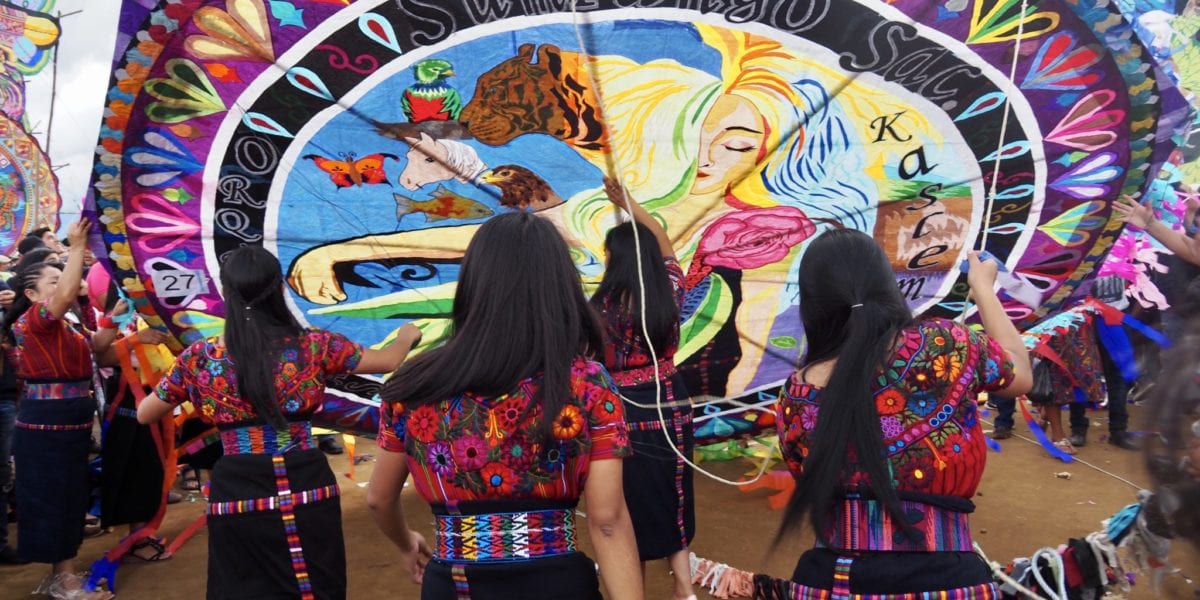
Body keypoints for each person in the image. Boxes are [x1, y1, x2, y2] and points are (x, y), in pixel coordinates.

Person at [369, 212, 643, 600]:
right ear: (560, 286)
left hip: (456, 586)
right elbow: (608, 520)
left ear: (473, 285)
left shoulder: (414, 386)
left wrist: (406, 541)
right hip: (558, 586)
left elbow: (379, 498)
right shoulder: (586, 383)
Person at [138, 245, 421, 600]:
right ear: (279, 290)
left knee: (242, 584)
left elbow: (145, 412)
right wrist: (408, 335)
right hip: (306, 478)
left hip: (237, 487)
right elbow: (387, 360)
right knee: (316, 579)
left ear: (225, 292)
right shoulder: (315, 346)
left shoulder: (200, 358)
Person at [768, 229, 1032, 598]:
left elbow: (812, 479)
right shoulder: (946, 345)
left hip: (830, 584)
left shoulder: (796, 395)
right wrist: (983, 288)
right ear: (886, 285)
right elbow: (1020, 373)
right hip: (943, 581)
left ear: (812, 304)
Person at [591, 178, 696, 600]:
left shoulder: (596, 311)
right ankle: (685, 588)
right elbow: (664, 242)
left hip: (623, 409)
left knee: (627, 500)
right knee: (675, 490)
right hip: (672, 400)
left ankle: (635, 587)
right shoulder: (670, 291)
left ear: (612, 260)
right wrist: (628, 202)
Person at [3, 219, 118, 599]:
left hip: (70, 418)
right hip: (47, 423)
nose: (61, 287)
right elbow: (68, 294)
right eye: (51, 282)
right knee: (55, 497)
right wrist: (78, 245)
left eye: (59, 279)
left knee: (69, 495)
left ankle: (62, 574)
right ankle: (64, 580)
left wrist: (121, 318)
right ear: (33, 294)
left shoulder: (65, 325)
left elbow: (101, 351)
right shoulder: (34, 322)